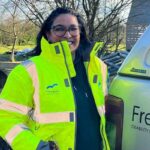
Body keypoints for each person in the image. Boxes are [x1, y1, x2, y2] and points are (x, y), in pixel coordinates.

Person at [0, 7, 110, 150]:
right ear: (48, 33)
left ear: (80, 32)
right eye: (59, 29)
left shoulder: (98, 67)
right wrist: (36, 147)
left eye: (73, 28)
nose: (68, 34)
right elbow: (5, 118)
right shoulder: (27, 71)